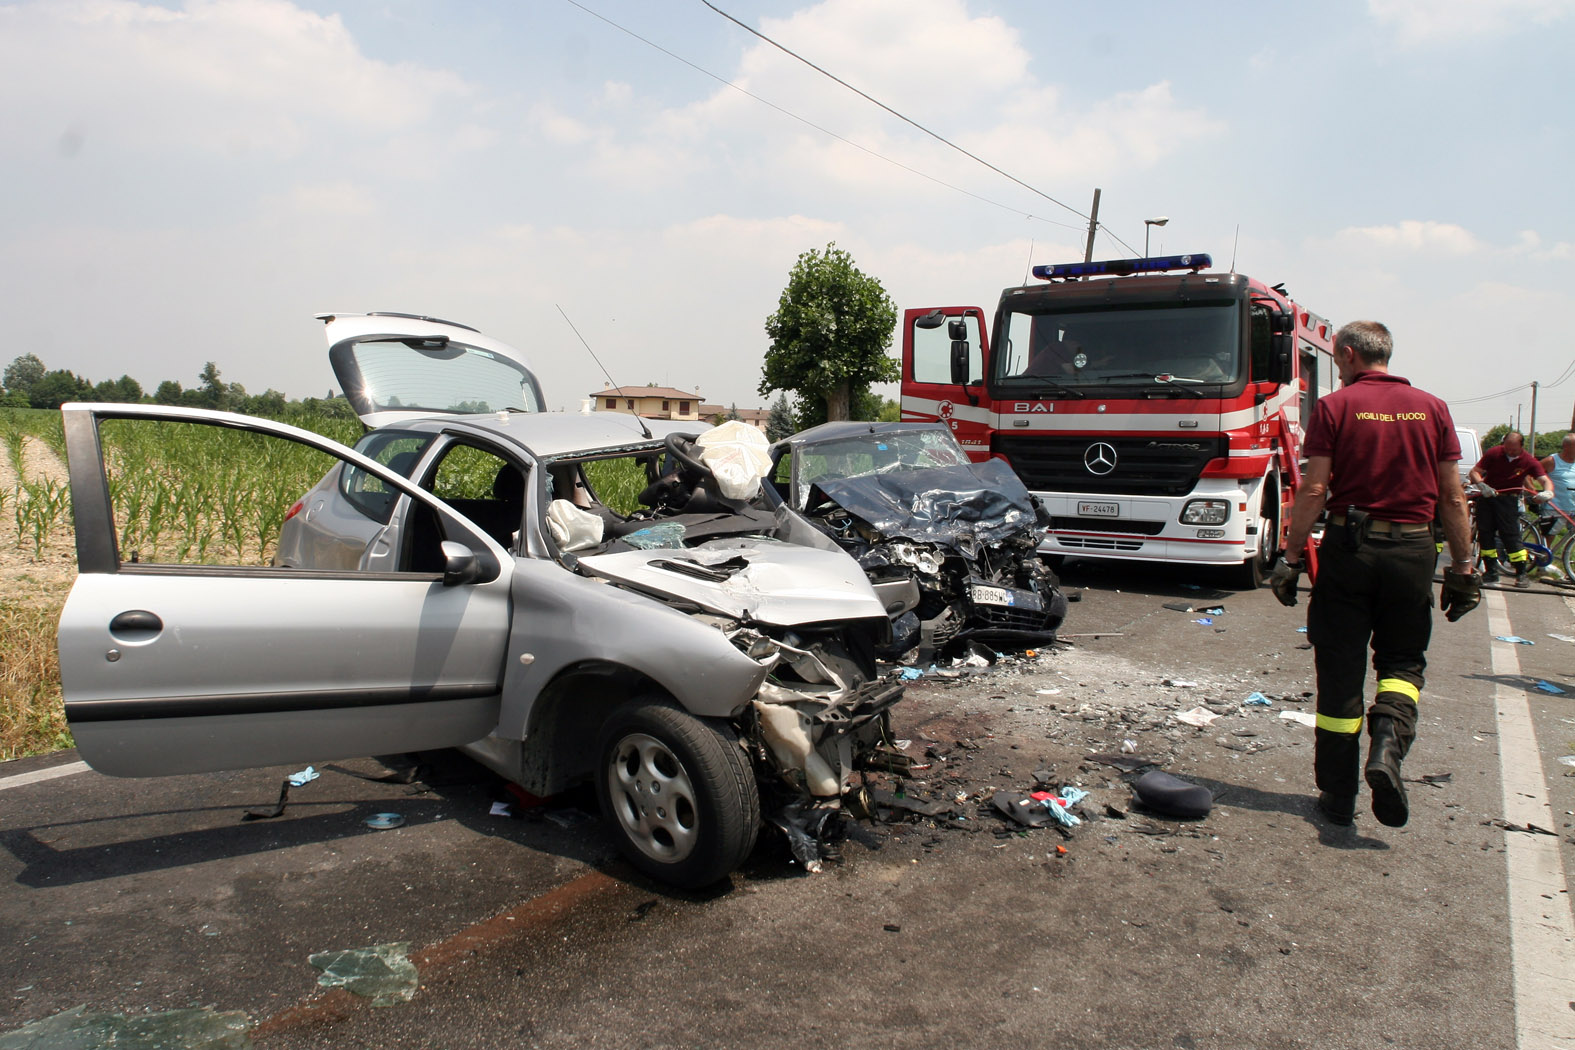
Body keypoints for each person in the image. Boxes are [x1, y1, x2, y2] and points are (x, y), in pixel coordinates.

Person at [1270, 321, 1479, 829]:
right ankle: (1387, 746)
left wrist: (1291, 558)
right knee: (1403, 663)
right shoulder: (1433, 408)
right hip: (1412, 550)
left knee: (1340, 671)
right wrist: (1465, 567)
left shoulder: (1336, 407)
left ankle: (1339, 798)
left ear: (1344, 355)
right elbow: (1452, 497)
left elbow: (1314, 491)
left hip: (1350, 548)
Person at [1469, 431, 1550, 588]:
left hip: (1508, 501)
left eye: (1513, 449)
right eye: (1507, 447)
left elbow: (1544, 480)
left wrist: (1547, 492)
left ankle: (1521, 573)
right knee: (1485, 534)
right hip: (1488, 498)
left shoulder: (1528, 461)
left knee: (1511, 536)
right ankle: (1491, 572)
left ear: (1521, 446)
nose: (1509, 451)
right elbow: (1475, 472)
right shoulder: (1494, 453)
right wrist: (1481, 485)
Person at [1539, 433, 1575, 539]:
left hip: (1573, 507)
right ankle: (1542, 555)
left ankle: (1566, 555)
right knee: (1548, 538)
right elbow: (1530, 473)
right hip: (1554, 507)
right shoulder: (1552, 461)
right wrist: (1534, 491)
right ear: (1565, 446)